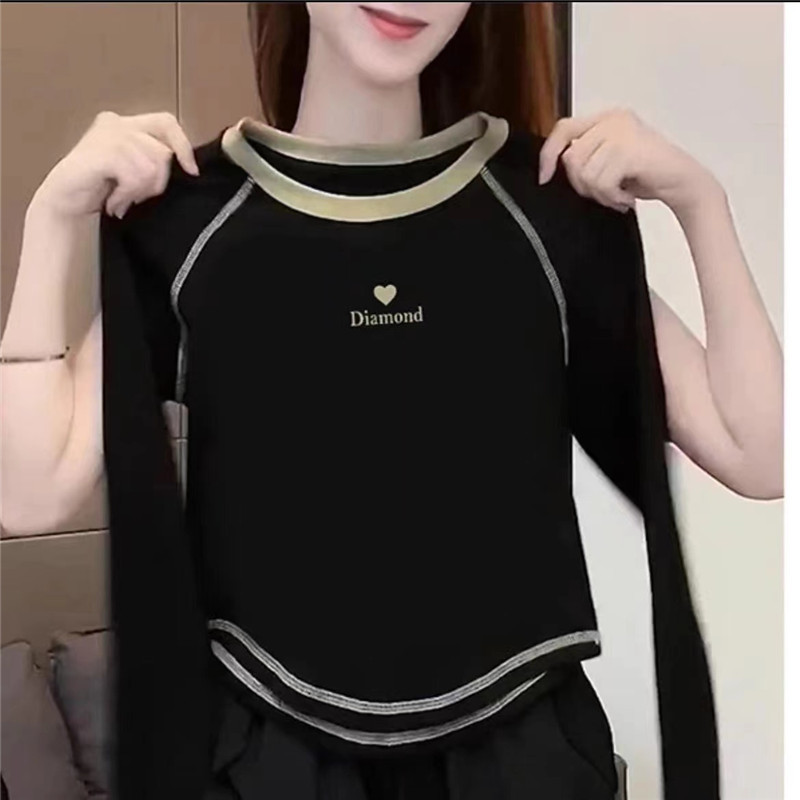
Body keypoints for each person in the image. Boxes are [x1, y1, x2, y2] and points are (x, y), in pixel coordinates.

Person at [0, 4, 783, 800]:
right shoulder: (195, 224)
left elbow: (761, 453)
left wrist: (701, 202)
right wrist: (51, 218)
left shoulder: (543, 213)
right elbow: (29, 495)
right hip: (273, 757)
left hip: (523, 754)